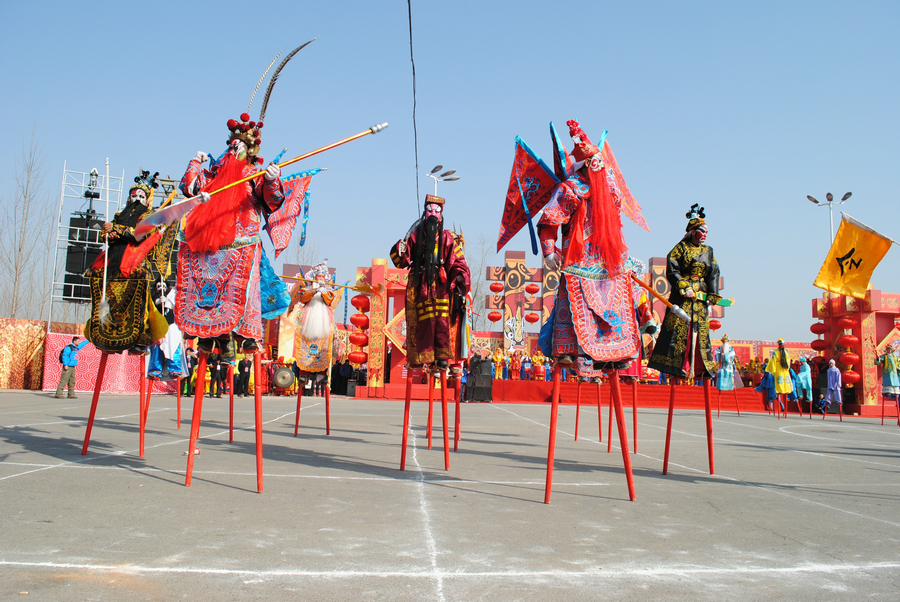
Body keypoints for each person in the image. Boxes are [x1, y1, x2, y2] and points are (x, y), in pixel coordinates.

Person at [537, 120, 643, 370]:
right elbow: (550, 219)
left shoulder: (610, 191)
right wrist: (550, 249)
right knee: (571, 297)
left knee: (625, 293)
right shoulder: (571, 189)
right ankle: (567, 350)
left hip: (610, 259)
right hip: (579, 258)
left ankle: (618, 353)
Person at [176, 112, 285, 356]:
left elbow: (273, 200)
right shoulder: (212, 175)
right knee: (204, 284)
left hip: (240, 243)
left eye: (241, 146)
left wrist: (271, 181)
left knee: (242, 287)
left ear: (251, 150)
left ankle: (243, 335)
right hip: (208, 241)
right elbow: (188, 188)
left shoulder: (252, 175)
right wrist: (196, 162)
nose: (235, 149)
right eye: (232, 145)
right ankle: (206, 334)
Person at [84, 171, 170, 354]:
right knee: (109, 301)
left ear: (146, 200)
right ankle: (106, 337)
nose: (137, 199)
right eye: (134, 196)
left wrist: (118, 230)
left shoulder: (148, 216)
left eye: (141, 196)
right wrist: (108, 233)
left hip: (135, 263)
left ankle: (139, 337)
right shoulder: (118, 215)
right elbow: (105, 234)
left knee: (137, 304)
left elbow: (141, 234)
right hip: (113, 263)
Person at [390, 194, 471, 369]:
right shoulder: (415, 235)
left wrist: (459, 277)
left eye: (437, 210)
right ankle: (419, 357)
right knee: (420, 320)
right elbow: (402, 260)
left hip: (440, 283)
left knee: (441, 320)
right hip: (419, 282)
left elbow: (457, 260)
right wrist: (401, 249)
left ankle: (441, 357)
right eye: (430, 209)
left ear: (441, 215)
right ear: (425, 212)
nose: (433, 213)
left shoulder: (447, 237)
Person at [647, 204, 722, 381]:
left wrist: (711, 297)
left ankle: (701, 367)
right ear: (692, 231)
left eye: (706, 232)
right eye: (701, 230)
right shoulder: (680, 248)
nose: (704, 234)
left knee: (701, 331)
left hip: (700, 297)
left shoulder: (708, 251)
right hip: (683, 297)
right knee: (680, 331)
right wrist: (683, 285)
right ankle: (677, 366)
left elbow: (714, 273)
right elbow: (672, 269)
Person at [766, 339, 794, 411]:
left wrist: (787, 366)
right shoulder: (775, 352)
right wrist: (773, 370)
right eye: (781, 344)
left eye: (783, 344)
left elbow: (788, 359)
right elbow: (772, 361)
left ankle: (783, 402)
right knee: (779, 382)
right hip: (778, 368)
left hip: (784, 369)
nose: (782, 345)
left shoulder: (785, 352)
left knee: (786, 382)